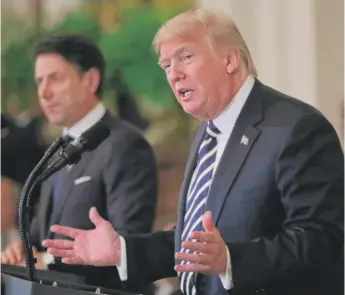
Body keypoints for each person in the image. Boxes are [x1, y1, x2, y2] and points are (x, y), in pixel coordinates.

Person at [41, 9, 344, 295]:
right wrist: (122, 250)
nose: (174, 74)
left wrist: (231, 260)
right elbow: (193, 245)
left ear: (230, 60)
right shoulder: (206, 133)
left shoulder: (297, 128)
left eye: (185, 57)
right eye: (167, 65)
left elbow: (322, 240)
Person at [1, 34, 158, 289]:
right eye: (39, 81)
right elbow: (44, 234)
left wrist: (48, 260)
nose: (44, 92)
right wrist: (22, 250)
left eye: (55, 78)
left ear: (91, 80)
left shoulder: (125, 144)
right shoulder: (59, 148)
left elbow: (128, 240)